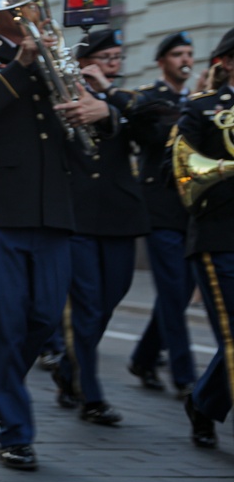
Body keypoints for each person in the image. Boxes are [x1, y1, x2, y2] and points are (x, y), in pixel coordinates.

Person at [0, 3, 115, 470]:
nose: (29, 11)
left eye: (33, 3)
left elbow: (87, 117)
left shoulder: (57, 56)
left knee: (44, 318)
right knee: (5, 320)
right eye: (17, 5)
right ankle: (15, 429)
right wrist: (20, 66)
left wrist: (102, 110)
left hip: (53, 208)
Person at [51, 28, 147, 425]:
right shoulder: (60, 98)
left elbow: (153, 131)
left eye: (117, 58)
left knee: (112, 297)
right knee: (87, 307)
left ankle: (68, 368)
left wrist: (108, 97)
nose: (115, 64)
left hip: (119, 217)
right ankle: (91, 395)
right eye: (106, 58)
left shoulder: (128, 101)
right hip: (78, 218)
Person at [127, 31, 198, 397]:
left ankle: (143, 356)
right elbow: (155, 139)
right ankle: (185, 377)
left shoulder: (200, 100)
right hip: (159, 209)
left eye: (189, 54)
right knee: (172, 293)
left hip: (191, 211)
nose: (185, 60)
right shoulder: (150, 99)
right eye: (177, 55)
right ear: (162, 62)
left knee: (181, 292)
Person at [179, 26, 234, 450]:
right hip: (221, 235)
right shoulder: (201, 109)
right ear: (227, 62)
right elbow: (177, 171)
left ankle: (203, 402)